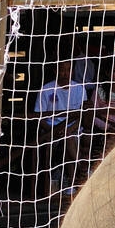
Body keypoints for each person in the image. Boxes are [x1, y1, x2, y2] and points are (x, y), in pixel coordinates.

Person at [35, 59, 88, 192]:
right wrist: (53, 129)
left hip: (73, 131)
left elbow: (83, 117)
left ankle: (72, 183)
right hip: (51, 132)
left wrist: (70, 129)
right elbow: (38, 117)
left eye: (68, 69)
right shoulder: (46, 89)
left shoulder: (79, 89)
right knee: (67, 138)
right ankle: (82, 170)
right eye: (62, 69)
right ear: (55, 71)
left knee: (68, 138)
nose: (65, 73)